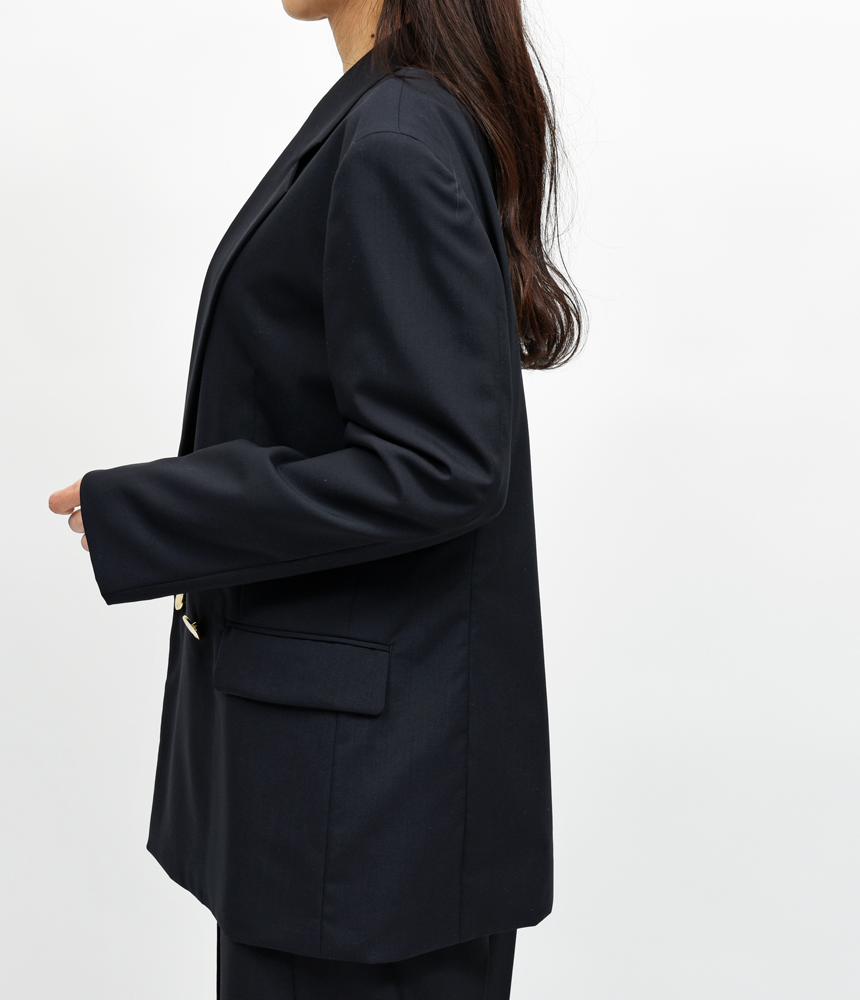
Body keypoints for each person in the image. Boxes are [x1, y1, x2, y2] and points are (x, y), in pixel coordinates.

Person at [49, 0, 583, 996]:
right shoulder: (394, 114)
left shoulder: (394, 136)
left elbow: (440, 464)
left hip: (360, 822)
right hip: (360, 811)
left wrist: (161, 514)